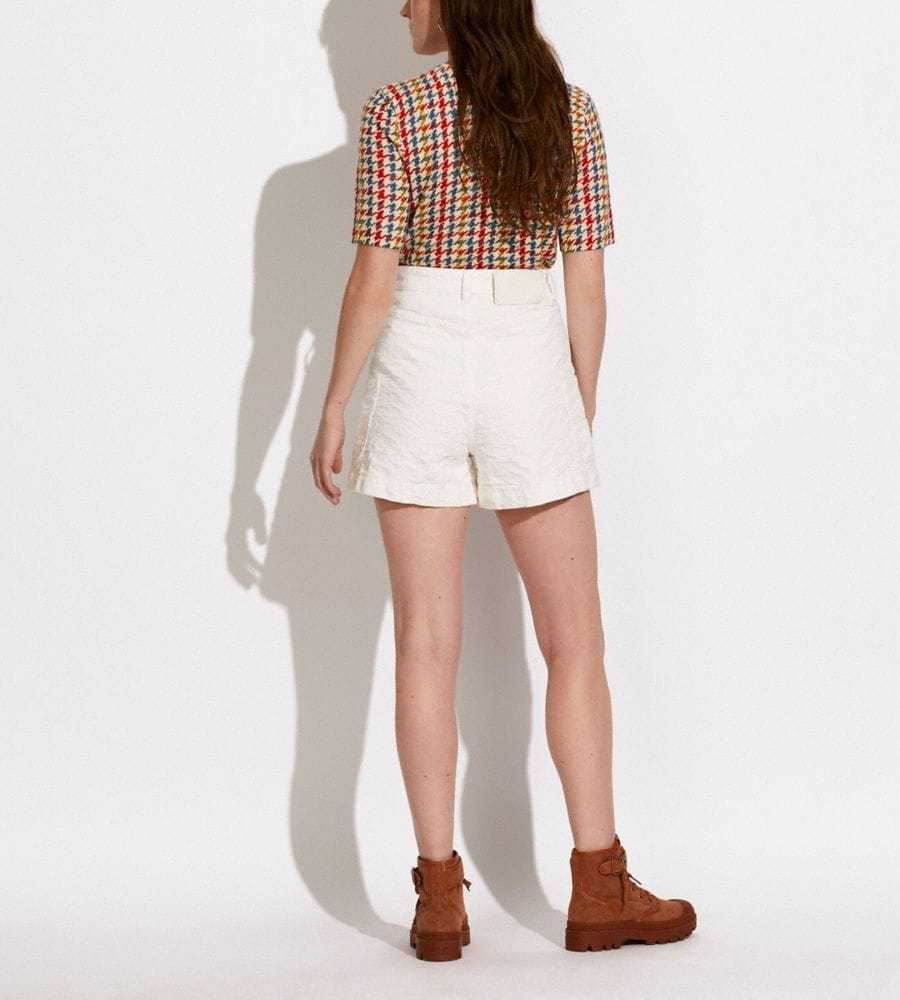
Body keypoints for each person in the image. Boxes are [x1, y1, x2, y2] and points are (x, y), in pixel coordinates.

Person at [310, 0, 696, 961]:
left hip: (419, 358)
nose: (402, 6)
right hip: (530, 358)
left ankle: (440, 901)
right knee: (575, 643)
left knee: (425, 645)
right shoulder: (567, 108)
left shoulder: (396, 110)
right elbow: (586, 278)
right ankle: (599, 887)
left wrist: (336, 402)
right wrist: (575, 405)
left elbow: (374, 273)